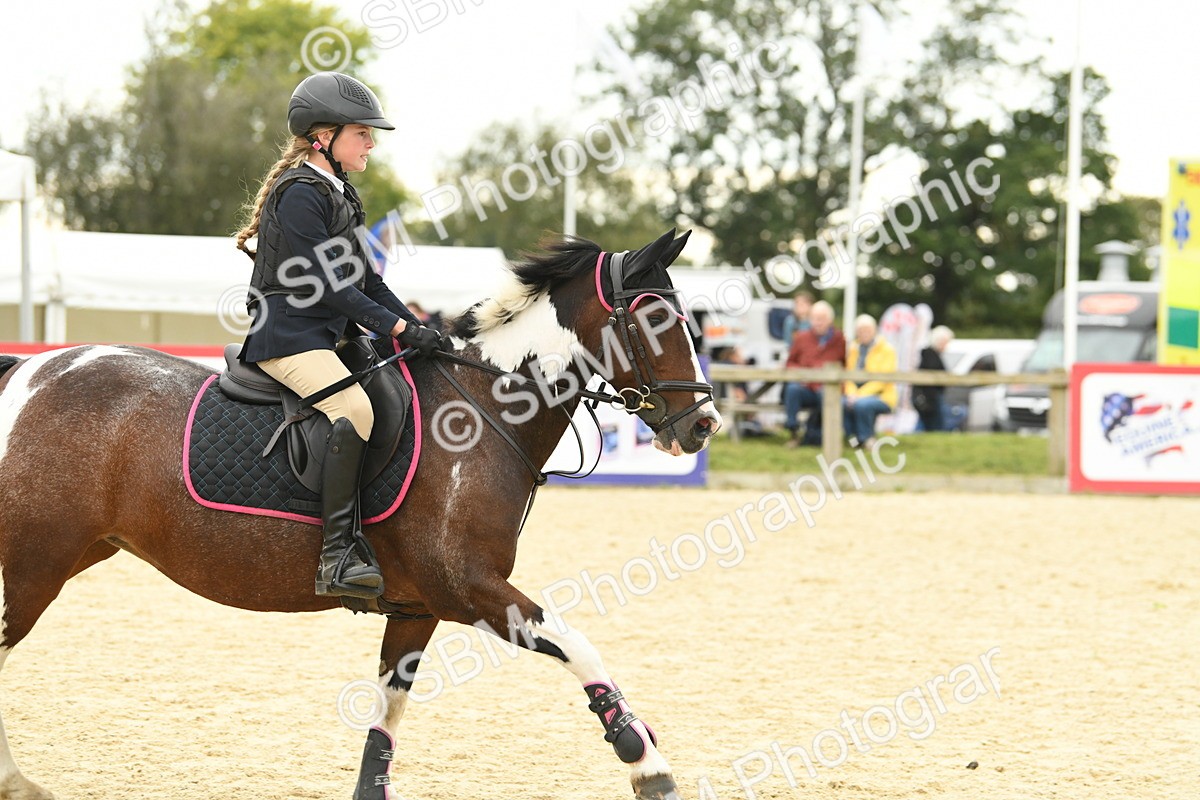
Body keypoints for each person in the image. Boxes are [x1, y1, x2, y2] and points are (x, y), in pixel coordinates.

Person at [235, 72, 443, 600]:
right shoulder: (300, 194)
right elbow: (328, 286)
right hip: (287, 339)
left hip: (327, 337)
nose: (372, 143)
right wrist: (395, 326)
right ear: (322, 138)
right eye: (362, 133)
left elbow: (368, 280)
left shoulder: (339, 192)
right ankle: (336, 555)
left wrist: (418, 330)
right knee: (354, 411)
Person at [781, 301, 845, 447]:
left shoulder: (839, 339)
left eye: (821, 318)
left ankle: (823, 436)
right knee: (792, 390)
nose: (818, 322)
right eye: (815, 318)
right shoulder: (801, 338)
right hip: (807, 387)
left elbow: (845, 365)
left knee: (829, 395)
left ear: (830, 320)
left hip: (828, 388)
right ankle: (793, 432)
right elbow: (790, 363)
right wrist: (802, 373)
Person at [843, 314, 897, 449]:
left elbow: (882, 380)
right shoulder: (852, 349)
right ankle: (852, 438)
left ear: (875, 330)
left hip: (882, 395)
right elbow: (847, 376)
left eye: (867, 330)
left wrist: (859, 395)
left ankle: (866, 438)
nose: (864, 333)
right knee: (840, 403)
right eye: (861, 330)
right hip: (855, 393)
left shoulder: (887, 350)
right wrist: (851, 393)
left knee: (862, 405)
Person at [913, 325, 953, 432]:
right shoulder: (930, 355)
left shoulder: (930, 354)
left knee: (927, 424)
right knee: (932, 425)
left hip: (931, 396)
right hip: (930, 397)